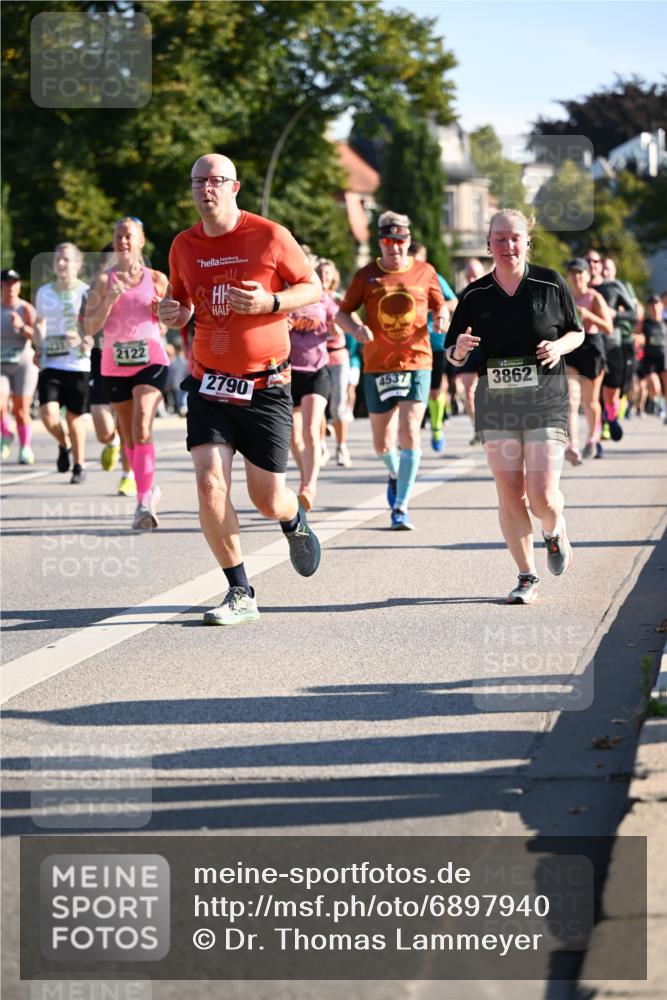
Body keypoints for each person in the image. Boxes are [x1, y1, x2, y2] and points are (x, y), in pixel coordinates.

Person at [158, 153, 322, 625]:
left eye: (215, 180)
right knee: (209, 483)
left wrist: (271, 300)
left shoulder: (269, 235)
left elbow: (310, 287)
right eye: (197, 181)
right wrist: (174, 314)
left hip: (267, 384)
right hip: (209, 383)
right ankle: (240, 590)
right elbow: (182, 304)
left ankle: (293, 520)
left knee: (267, 498)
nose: (205, 189)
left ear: (235, 187)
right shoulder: (183, 245)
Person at [445, 209, 584, 605]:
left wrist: (558, 346)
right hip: (497, 404)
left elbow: (577, 331)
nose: (508, 245)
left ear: (528, 241)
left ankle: (554, 530)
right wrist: (458, 351)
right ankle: (526, 576)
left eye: (515, 238)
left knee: (541, 496)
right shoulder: (474, 294)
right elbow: (453, 353)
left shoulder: (550, 283)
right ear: (489, 244)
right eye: (500, 238)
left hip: (545, 400)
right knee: (510, 492)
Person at [336, 211, 448, 530]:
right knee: (382, 443)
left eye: (400, 241)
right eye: (388, 241)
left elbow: (441, 306)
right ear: (380, 242)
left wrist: (441, 319)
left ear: (408, 242)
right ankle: (394, 471)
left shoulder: (426, 272)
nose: (394, 248)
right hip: (377, 365)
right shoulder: (366, 276)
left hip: (417, 360)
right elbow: (341, 314)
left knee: (409, 430)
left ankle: (401, 505)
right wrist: (356, 330)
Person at [84, 218, 169, 528]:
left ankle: (144, 502)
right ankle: (146, 491)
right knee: (129, 434)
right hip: (115, 365)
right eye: (118, 235)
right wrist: (109, 298)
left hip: (151, 361)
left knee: (143, 425)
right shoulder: (103, 281)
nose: (122, 241)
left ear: (141, 241)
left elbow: (176, 319)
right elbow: (90, 327)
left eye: (128, 236)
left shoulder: (158, 279)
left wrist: (165, 313)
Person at [34, 243, 90, 483]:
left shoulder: (88, 292)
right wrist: (38, 343)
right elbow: (39, 322)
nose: (61, 263)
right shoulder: (44, 292)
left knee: (74, 418)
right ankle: (64, 443)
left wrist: (83, 337)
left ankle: (79, 466)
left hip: (78, 364)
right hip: (52, 362)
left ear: (78, 264)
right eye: (58, 259)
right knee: (48, 414)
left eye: (67, 259)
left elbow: (96, 327)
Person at [81, 245, 135, 496]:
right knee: (103, 426)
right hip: (101, 356)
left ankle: (128, 475)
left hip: (131, 358)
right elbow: (86, 323)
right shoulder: (94, 289)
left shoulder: (140, 284)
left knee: (127, 423)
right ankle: (111, 443)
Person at [287, 279, 338, 510]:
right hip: (287, 372)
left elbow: (340, 318)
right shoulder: (283, 296)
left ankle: (309, 486)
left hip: (317, 370)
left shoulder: (322, 297)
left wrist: (342, 327)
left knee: (310, 429)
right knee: (292, 436)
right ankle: (306, 473)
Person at [409, 242, 457, 453]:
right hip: (408, 342)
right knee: (413, 390)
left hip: (435, 341)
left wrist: (433, 307)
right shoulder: (401, 278)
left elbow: (454, 302)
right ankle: (412, 431)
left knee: (435, 390)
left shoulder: (434, 277)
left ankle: (436, 426)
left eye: (418, 258)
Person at [564, 258, 613, 463]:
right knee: (570, 399)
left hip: (591, 347)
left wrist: (589, 316)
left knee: (590, 401)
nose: (576, 277)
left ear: (587, 275)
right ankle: (573, 445)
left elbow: (608, 327)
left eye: (580, 273)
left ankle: (592, 440)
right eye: (573, 273)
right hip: (571, 347)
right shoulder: (564, 297)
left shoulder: (594, 297)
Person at [594, 255, 638, 442]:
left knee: (615, 389)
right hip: (594, 344)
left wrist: (615, 314)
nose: (604, 271)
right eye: (601, 267)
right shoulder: (588, 288)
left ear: (614, 271)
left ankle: (611, 416)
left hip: (618, 342)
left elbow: (633, 313)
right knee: (596, 390)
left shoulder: (618, 287)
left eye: (608, 268)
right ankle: (600, 427)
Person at [1, 268, 38, 464]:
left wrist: (22, 327)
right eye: (6, 283)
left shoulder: (26, 309)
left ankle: (25, 447)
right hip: (1, 365)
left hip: (24, 363)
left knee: (21, 409)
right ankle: (6, 433)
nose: (10, 287)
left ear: (19, 285)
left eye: (13, 282)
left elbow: (38, 337)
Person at [317, 258, 352, 467]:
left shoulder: (339, 300)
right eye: (320, 272)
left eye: (327, 273)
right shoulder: (310, 299)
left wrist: (341, 327)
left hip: (338, 357)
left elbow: (353, 323)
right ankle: (321, 446)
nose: (323, 276)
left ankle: (341, 446)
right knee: (318, 406)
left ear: (333, 277)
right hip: (318, 357)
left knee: (338, 407)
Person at [637, 295, 666, 416]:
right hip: (649, 359)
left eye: (656, 303)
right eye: (652, 304)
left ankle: (664, 410)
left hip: (664, 358)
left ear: (661, 305)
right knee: (655, 385)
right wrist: (639, 339)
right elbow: (637, 335)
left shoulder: (665, 322)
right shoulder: (644, 324)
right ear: (648, 307)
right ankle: (657, 402)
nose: (654, 306)